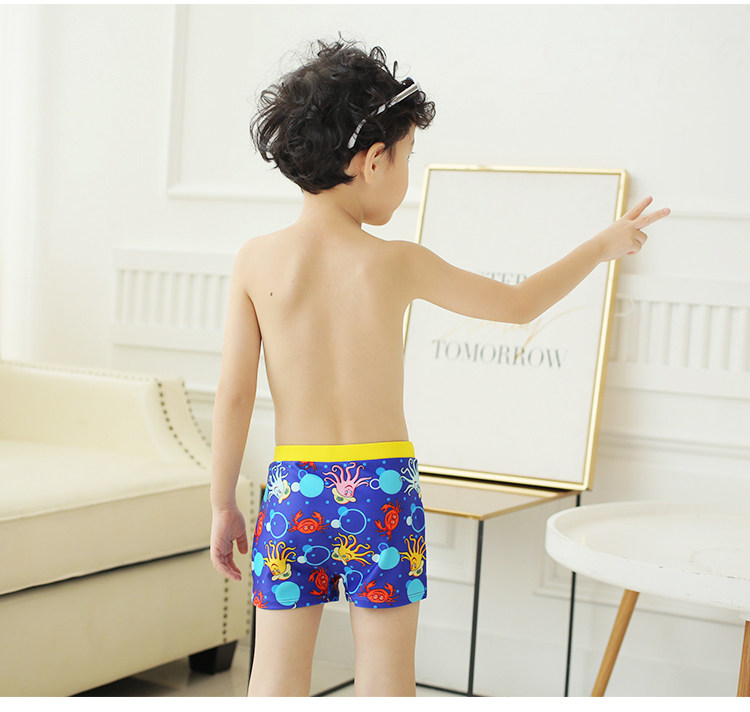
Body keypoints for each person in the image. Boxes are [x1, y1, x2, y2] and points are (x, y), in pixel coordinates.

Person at [208, 37, 670, 698]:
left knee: (274, 679)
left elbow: (232, 395)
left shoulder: (255, 260)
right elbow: (518, 305)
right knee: (388, 681)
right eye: (407, 159)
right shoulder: (395, 262)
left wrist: (223, 502)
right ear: (373, 161)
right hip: (380, 491)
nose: (407, 177)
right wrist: (601, 246)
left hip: (291, 493)